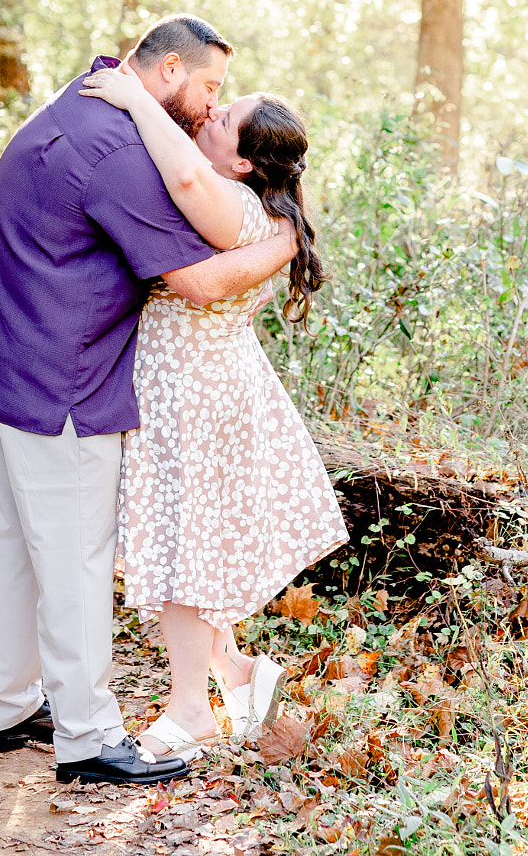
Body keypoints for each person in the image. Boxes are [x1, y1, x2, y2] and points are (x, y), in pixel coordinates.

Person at [0, 15, 296, 786]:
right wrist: (285, 244)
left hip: (5, 360)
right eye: (208, 86)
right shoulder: (120, 152)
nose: (211, 105)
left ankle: (10, 706)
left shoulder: (78, 104)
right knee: (72, 558)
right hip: (59, 379)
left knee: (13, 547)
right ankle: (87, 736)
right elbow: (199, 282)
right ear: (169, 70)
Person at [77, 63, 347, 763]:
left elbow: (189, 182)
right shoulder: (267, 213)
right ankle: (237, 674)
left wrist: (138, 98)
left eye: (226, 119)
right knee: (189, 536)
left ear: (246, 160)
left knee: (184, 544)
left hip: (193, 392)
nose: (212, 113)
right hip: (202, 384)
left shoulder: (231, 200)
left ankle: (191, 711)